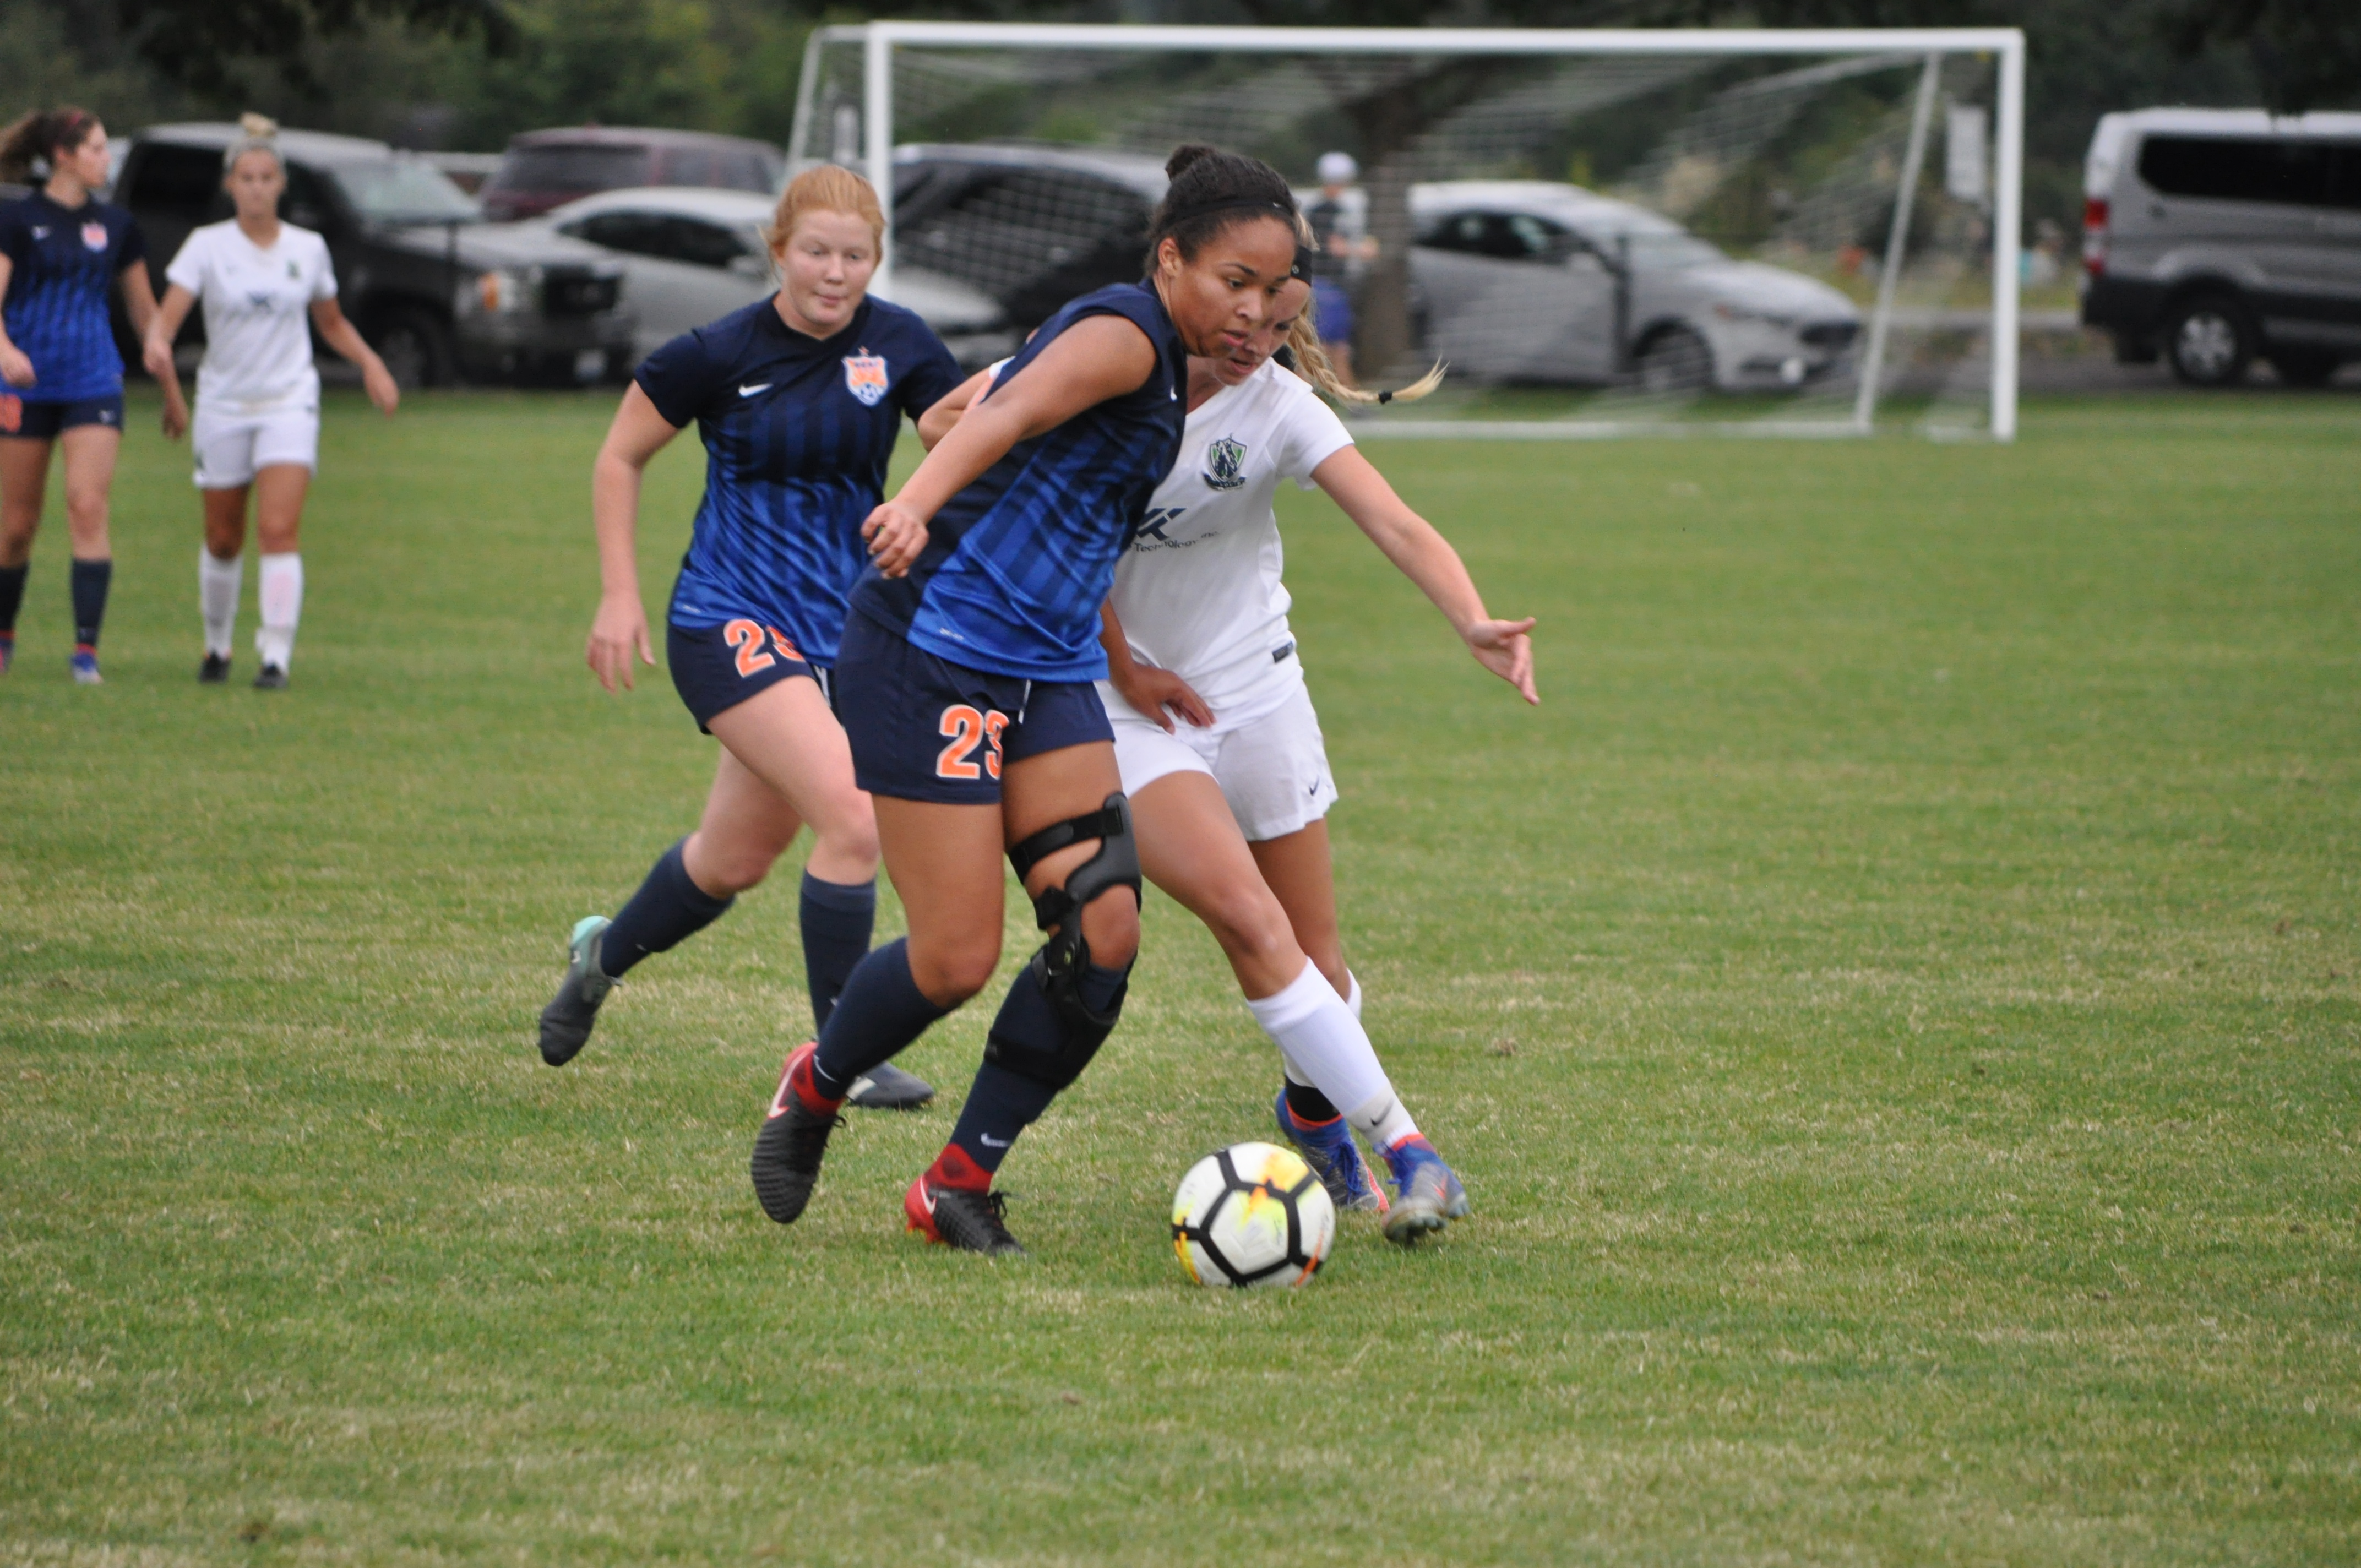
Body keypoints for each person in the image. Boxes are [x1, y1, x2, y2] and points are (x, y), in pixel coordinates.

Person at [746, 144, 1303, 1257]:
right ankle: (812, 1086)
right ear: (1170, 260)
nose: (1249, 309)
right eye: (1230, 282)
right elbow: (980, 427)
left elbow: (975, 421)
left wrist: (1119, 657)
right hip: (932, 646)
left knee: (1102, 929)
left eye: (1270, 293)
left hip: (1046, 666)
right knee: (954, 955)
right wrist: (914, 510)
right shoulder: (1120, 335)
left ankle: (957, 1181)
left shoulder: (1165, 367)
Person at [921, 276, 1531, 1244]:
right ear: (1190, 284)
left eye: (1284, 322)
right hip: (1122, 708)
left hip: (1255, 691)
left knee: (1318, 967)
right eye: (1245, 310)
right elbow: (947, 421)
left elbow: (1394, 520)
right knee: (1248, 918)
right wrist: (1118, 650)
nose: (1259, 336)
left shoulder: (1281, 407)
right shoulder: (1108, 362)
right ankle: (1410, 1149)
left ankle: (1311, 1115)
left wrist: (1470, 618)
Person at [542, 164, 962, 1111]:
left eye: (855, 256)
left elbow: (952, 423)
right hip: (725, 618)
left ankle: (598, 959)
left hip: (836, 637)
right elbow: (619, 456)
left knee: (729, 861)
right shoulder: (719, 349)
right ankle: (841, 1054)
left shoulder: (896, 343)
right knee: (854, 820)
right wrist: (619, 593)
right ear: (777, 251)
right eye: (815, 251)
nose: (834, 272)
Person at [140, 115, 399, 690]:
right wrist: (159, 347)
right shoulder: (207, 246)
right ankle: (216, 644)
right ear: (230, 185)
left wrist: (371, 363)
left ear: (281, 184)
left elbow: (330, 323)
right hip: (225, 403)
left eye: (266, 177)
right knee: (223, 537)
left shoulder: (307, 249)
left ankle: (275, 655)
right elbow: (168, 320)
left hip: (289, 401)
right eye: (246, 178)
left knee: (279, 529)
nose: (256, 187)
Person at [0, 106, 182, 683]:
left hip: (93, 381)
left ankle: (86, 654)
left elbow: (146, 314)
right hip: (23, 385)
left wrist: (170, 383)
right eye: (98, 148)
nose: (107, 158)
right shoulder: (16, 218)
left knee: (87, 504)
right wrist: (6, 353)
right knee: (16, 526)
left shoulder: (118, 225)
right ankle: (4, 636)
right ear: (64, 155)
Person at [1302, 151, 1377, 389]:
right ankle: (1305, 395)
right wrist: (1359, 249)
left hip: (1334, 287)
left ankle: (1349, 397)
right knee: (1324, 346)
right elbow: (1335, 248)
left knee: (1338, 347)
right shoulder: (1323, 211)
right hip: (1325, 287)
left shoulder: (1333, 209)